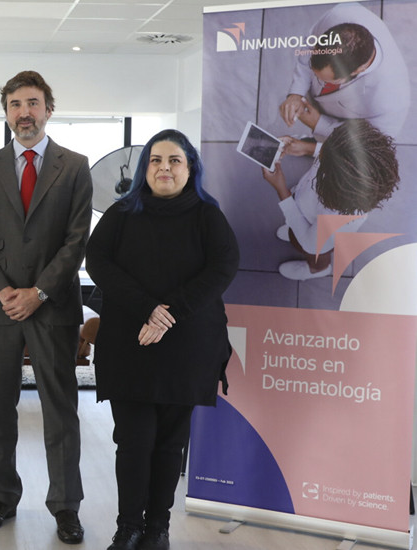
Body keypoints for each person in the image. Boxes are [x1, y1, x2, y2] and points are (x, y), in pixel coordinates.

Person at [86, 129, 239, 550]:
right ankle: (128, 527)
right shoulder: (122, 212)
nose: (164, 168)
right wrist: (147, 308)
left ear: (190, 168)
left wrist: (168, 313)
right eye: (155, 160)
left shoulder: (208, 215)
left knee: (170, 445)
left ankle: (157, 529)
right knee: (132, 443)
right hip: (130, 343)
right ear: (144, 168)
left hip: (187, 347)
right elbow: (97, 261)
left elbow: (223, 267)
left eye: (174, 160)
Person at [0, 70, 92, 545]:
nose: (24, 113)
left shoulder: (75, 166)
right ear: (6, 112)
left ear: (48, 110)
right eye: (15, 104)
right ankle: (2, 497)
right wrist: (3, 291)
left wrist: (38, 292)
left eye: (33, 103)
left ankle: (66, 505)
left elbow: (77, 240)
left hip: (53, 307)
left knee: (60, 410)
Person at [261, 118, 399, 280]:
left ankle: (318, 268)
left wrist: (281, 189)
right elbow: (336, 154)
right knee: (298, 227)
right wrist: (307, 148)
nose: (323, 153)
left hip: (316, 237)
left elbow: (310, 245)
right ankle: (296, 227)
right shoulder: (342, 172)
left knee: (313, 250)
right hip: (309, 210)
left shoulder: (335, 218)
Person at [279, 2, 409, 141]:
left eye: (328, 80)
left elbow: (374, 141)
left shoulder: (392, 100)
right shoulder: (339, 15)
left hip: (345, 140)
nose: (317, 81)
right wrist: (296, 93)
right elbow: (309, 43)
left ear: (359, 70)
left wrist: (319, 125)